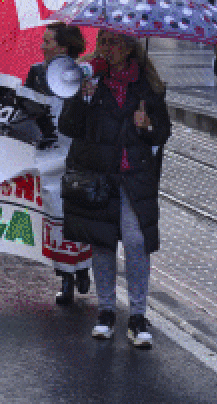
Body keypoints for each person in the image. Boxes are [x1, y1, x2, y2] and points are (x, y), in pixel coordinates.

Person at [58, 29, 170, 349]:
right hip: (99, 178)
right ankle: (106, 311)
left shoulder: (147, 85)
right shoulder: (89, 77)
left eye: (114, 42)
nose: (107, 48)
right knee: (103, 244)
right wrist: (85, 97)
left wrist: (147, 126)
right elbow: (68, 126)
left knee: (136, 242)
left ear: (129, 47)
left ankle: (137, 316)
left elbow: (163, 132)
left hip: (134, 179)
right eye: (103, 42)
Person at [24, 23, 92, 306]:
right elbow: (25, 109)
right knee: (55, 212)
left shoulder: (81, 74)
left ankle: (83, 266)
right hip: (50, 151)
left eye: (47, 41)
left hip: (77, 151)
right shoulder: (36, 73)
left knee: (80, 208)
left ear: (63, 48)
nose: (42, 46)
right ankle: (65, 276)